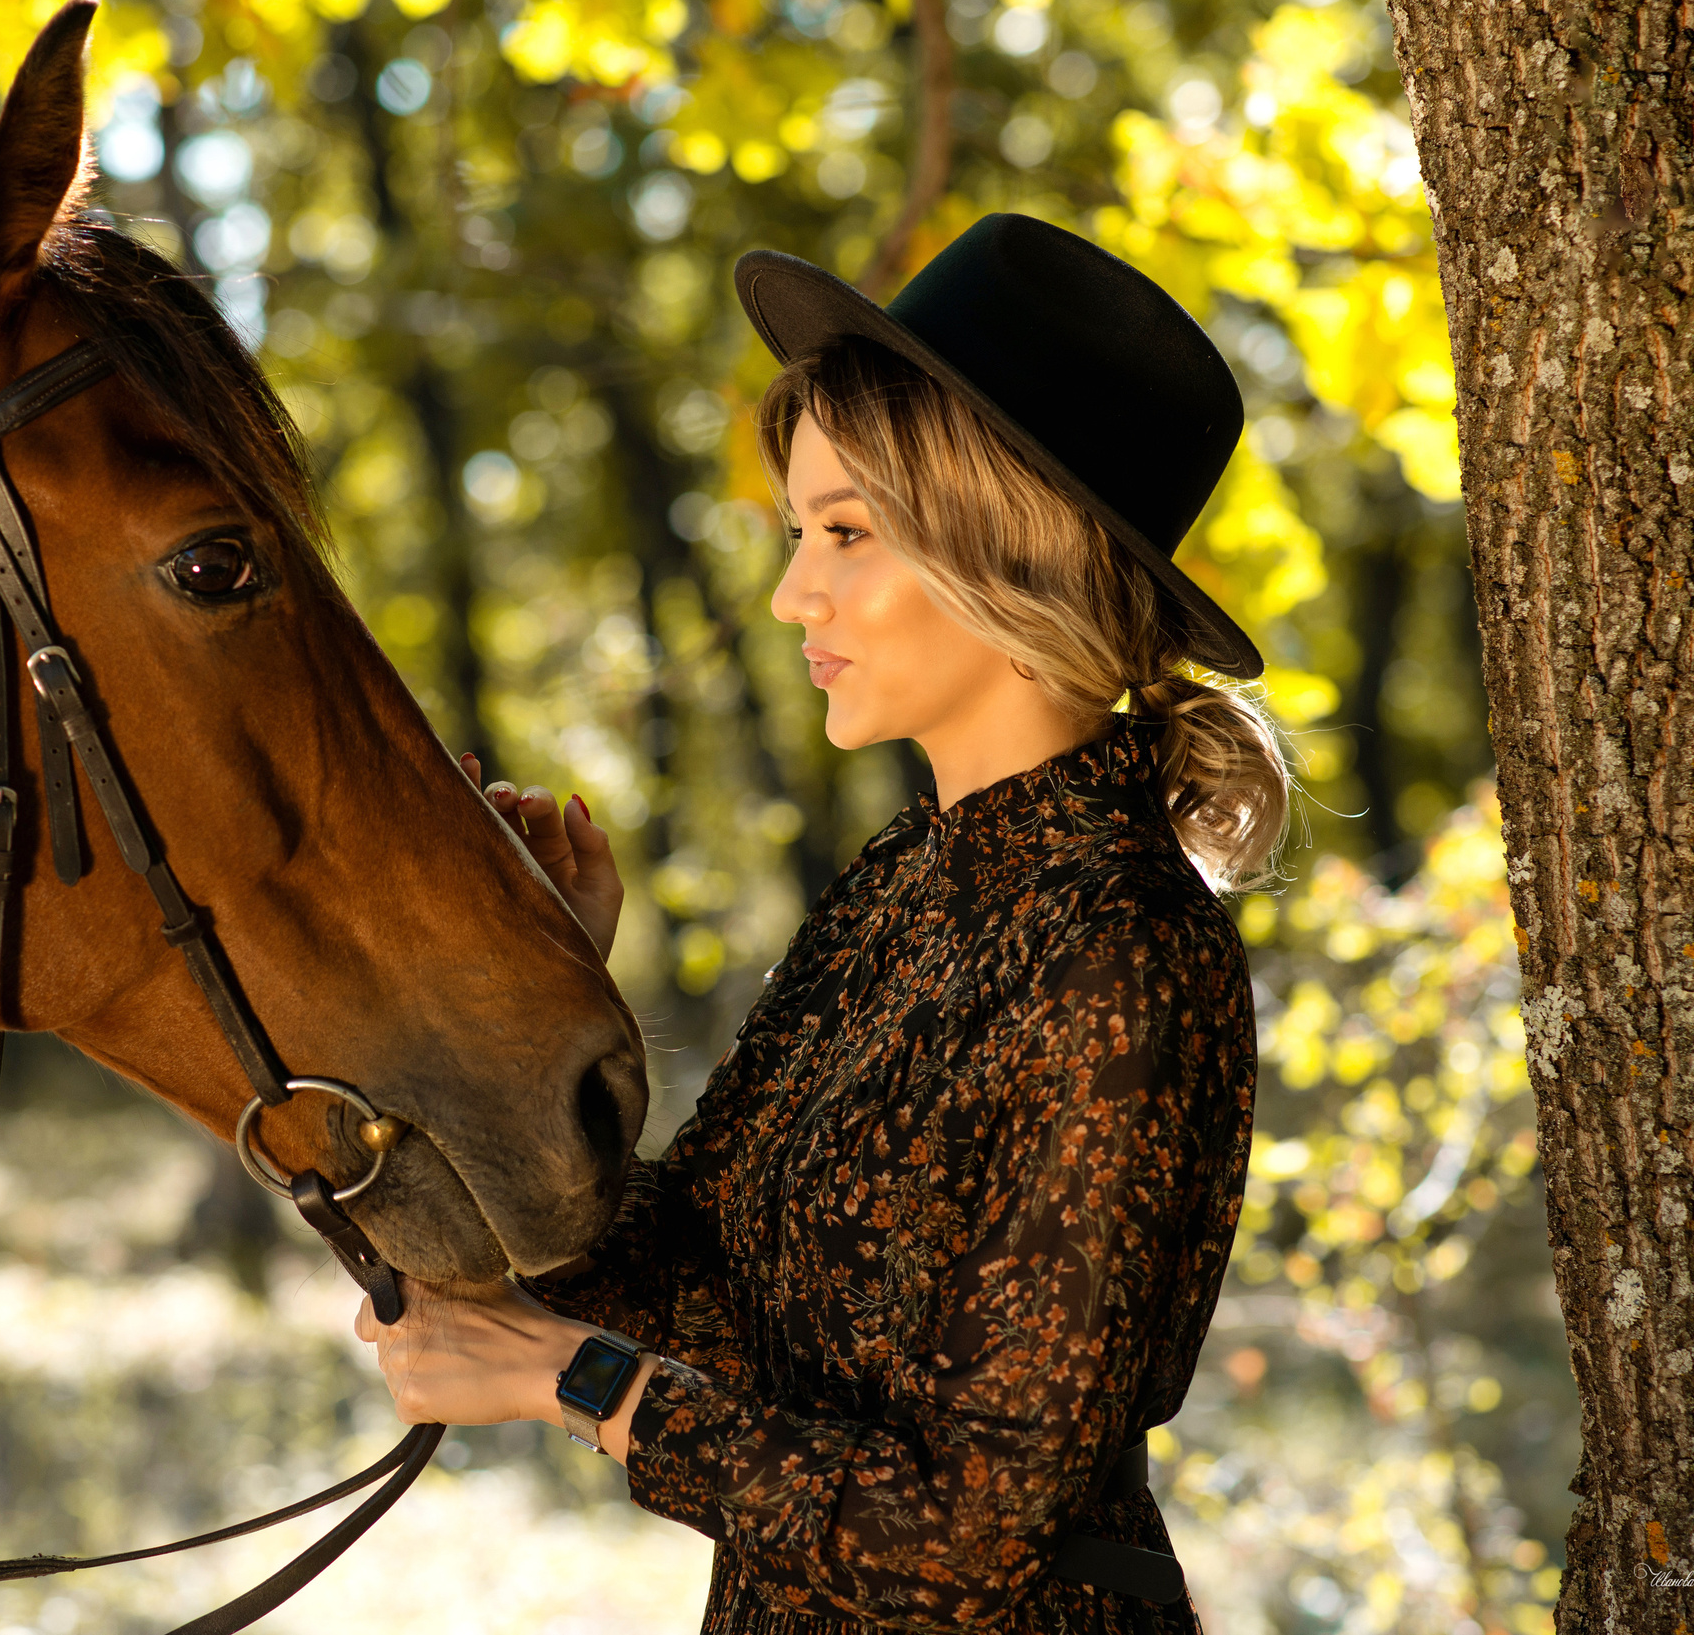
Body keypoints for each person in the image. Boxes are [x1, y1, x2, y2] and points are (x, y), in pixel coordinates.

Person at [355, 213, 1286, 1634]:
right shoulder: (903, 890)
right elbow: (680, 1282)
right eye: (802, 533)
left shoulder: (1127, 952)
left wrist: (577, 1380)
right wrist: (527, 992)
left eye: (845, 532)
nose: (797, 591)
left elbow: (971, 1537)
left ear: (1006, 549)